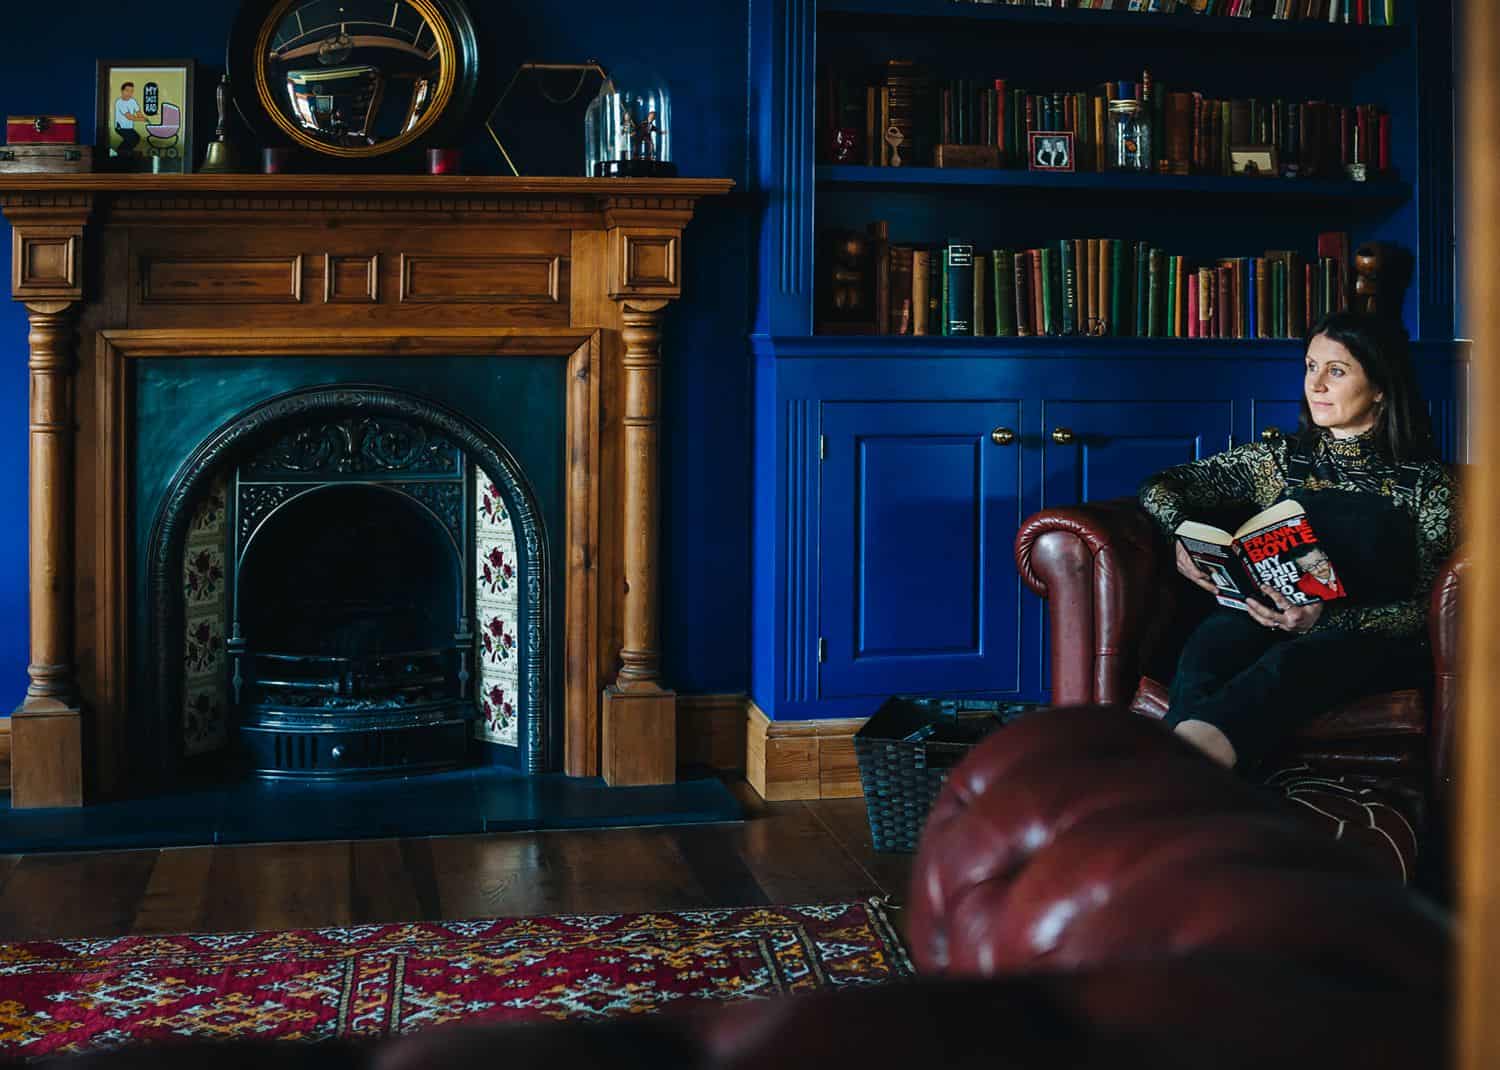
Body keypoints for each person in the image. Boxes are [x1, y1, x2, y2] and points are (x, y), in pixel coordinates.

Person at [1138, 311, 1459, 772]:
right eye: (1311, 366)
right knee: (1210, 649)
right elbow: (1161, 485)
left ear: (1381, 386)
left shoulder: (1427, 484)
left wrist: (1325, 621)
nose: (1317, 384)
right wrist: (1180, 536)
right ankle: (1193, 794)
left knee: (1292, 665)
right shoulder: (1279, 459)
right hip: (1268, 615)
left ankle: (1169, 784)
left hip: (1365, 640)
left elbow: (1430, 606)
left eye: (1337, 370)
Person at [113, 81, 144, 158]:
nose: (129, 93)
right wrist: (141, 119)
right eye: (127, 91)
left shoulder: (132, 101)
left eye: (131, 91)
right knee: (131, 139)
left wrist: (144, 117)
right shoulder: (119, 102)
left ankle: (124, 153)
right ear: (122, 91)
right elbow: (129, 117)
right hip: (120, 128)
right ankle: (119, 153)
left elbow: (138, 112)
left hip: (129, 127)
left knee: (136, 138)